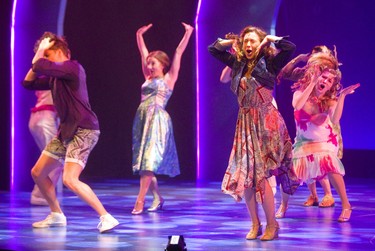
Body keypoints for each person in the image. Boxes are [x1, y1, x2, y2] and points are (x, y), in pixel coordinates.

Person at [208, 26, 300, 241]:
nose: (248, 45)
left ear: (259, 43)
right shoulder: (238, 63)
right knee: (245, 176)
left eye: (252, 41)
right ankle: (255, 224)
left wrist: (270, 39)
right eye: (245, 41)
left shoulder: (269, 62)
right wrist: (232, 43)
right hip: (245, 123)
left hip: (266, 123)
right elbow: (213, 49)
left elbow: (289, 47)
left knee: (262, 176)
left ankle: (272, 224)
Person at [22, 32, 119, 233]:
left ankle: (106, 217)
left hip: (84, 129)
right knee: (38, 173)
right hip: (66, 131)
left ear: (60, 52)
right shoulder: (54, 80)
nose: (45, 60)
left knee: (69, 179)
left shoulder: (73, 68)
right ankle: (56, 214)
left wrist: (40, 52)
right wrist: (40, 55)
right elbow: (28, 83)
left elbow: (39, 65)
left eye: (48, 55)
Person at [131, 22, 194, 215]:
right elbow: (142, 52)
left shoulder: (169, 79)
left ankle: (139, 201)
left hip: (158, 121)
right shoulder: (147, 78)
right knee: (144, 162)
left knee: (149, 161)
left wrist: (188, 32)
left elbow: (178, 52)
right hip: (142, 119)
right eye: (148, 63)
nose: (149, 66)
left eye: (153, 63)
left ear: (163, 65)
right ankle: (157, 197)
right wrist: (139, 35)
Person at [289, 51, 359, 222]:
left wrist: (341, 96)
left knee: (328, 161)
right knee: (292, 174)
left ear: (331, 86)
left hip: (324, 141)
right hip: (303, 142)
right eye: (323, 78)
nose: (325, 82)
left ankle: (346, 205)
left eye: (329, 81)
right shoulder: (300, 94)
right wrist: (312, 82)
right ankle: (283, 206)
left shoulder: (330, 101)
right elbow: (297, 106)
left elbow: (334, 119)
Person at [275, 46, 341, 217]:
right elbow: (285, 73)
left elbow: (332, 112)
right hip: (304, 131)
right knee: (300, 167)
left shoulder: (328, 81)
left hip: (322, 131)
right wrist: (298, 59)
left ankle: (329, 194)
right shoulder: (305, 77)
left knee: (322, 161)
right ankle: (310, 196)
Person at [29, 90, 62, 206]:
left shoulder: (44, 77)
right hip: (46, 117)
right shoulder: (55, 77)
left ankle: (40, 195)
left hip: (37, 117)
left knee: (50, 158)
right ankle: (41, 196)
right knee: (55, 159)